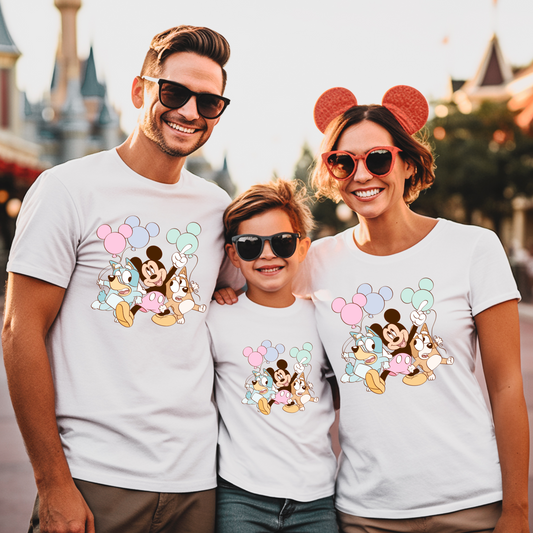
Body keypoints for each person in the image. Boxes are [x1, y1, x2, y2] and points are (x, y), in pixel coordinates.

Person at [2, 25, 243, 533]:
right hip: (93, 482)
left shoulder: (218, 208)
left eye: (209, 102)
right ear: (140, 91)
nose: (190, 113)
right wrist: (53, 484)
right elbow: (20, 331)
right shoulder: (68, 189)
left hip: (197, 485)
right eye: (174, 93)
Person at [292, 85, 529, 532]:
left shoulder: (474, 248)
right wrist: (228, 293)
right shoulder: (314, 263)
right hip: (366, 513)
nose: (362, 175)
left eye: (378, 159)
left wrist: (517, 509)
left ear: (406, 162)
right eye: (344, 161)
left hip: (471, 505)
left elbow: (508, 388)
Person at [207, 179, 339, 533]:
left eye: (281, 242)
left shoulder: (325, 319)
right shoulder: (215, 318)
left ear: (302, 246)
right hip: (240, 495)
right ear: (234, 255)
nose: (267, 255)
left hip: (317, 498)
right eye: (250, 246)